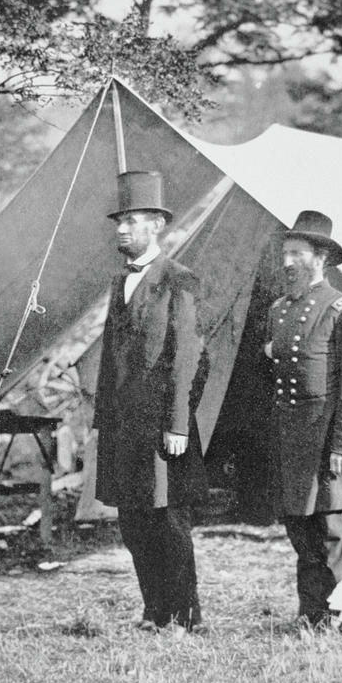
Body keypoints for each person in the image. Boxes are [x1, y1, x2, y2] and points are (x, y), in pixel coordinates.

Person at [93, 171, 208, 635]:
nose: (121, 229)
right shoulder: (118, 282)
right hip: (123, 428)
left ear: (157, 225)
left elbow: (187, 358)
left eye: (132, 221)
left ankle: (186, 616)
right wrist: (102, 422)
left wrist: (177, 423)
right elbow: (108, 359)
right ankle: (155, 610)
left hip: (163, 427)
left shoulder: (180, 280)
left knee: (168, 522)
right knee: (134, 522)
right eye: (119, 221)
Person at [265, 211, 342, 628]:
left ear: (321, 257)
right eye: (285, 253)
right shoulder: (279, 309)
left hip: (327, 438)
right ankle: (313, 614)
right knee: (301, 531)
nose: (288, 261)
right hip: (292, 439)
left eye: (297, 253)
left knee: (332, 532)